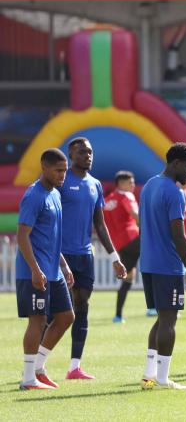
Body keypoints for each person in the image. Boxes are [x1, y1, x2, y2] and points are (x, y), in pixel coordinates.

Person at [59, 137, 126, 380]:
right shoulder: (61, 180)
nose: (88, 155)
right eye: (82, 152)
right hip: (60, 255)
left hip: (85, 255)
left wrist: (114, 256)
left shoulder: (96, 184)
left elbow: (100, 223)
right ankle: (36, 365)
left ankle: (74, 367)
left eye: (90, 152)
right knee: (53, 311)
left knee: (82, 307)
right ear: (71, 155)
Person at [139, 143, 186, 390]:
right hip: (167, 264)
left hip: (149, 263)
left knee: (162, 319)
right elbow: (178, 235)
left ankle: (149, 374)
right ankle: (163, 379)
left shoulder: (149, 185)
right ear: (175, 163)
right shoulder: (174, 193)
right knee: (169, 321)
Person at [16, 148, 75, 390]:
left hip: (54, 270)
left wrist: (63, 263)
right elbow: (22, 236)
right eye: (58, 170)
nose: (63, 175)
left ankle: (38, 368)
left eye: (65, 170)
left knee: (66, 317)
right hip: (34, 271)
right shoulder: (34, 195)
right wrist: (34, 269)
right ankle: (28, 379)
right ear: (44, 167)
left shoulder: (55, 195)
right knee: (38, 320)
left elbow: (50, 236)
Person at [103, 171, 140, 323]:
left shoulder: (107, 201)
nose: (133, 185)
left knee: (129, 277)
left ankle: (118, 315)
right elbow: (135, 215)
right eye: (130, 182)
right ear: (121, 183)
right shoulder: (127, 196)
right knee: (159, 257)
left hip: (119, 244)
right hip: (133, 238)